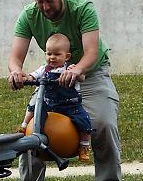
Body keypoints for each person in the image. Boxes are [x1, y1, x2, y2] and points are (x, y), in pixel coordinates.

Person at [8, 0, 125, 181]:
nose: (45, 7)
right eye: (39, 1)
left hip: (90, 75)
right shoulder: (29, 15)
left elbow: (91, 52)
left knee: (103, 124)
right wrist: (16, 72)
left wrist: (76, 69)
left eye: (49, 0)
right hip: (52, 80)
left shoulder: (83, 8)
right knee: (32, 129)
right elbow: (15, 57)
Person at [18, 33, 92, 163]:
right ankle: (24, 126)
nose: (52, 57)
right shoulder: (44, 69)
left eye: (57, 54)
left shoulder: (70, 69)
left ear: (66, 56)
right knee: (33, 108)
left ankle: (84, 145)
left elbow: (82, 78)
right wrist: (26, 78)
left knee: (84, 121)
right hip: (49, 103)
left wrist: (76, 73)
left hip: (69, 105)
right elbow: (33, 76)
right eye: (49, 54)